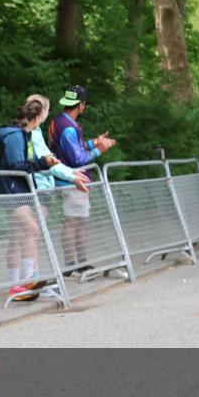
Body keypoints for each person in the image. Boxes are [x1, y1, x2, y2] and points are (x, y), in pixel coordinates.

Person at [0, 96, 88, 301]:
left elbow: (32, 162)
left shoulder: (27, 134)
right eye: (46, 113)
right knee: (27, 230)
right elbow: (16, 165)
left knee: (24, 233)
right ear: (39, 114)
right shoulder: (15, 136)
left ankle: (27, 281)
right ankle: (22, 282)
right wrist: (43, 163)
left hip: (25, 189)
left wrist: (50, 166)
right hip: (11, 190)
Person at [48, 85, 115, 278]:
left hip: (67, 179)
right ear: (82, 105)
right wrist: (101, 149)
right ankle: (74, 266)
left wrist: (94, 142)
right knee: (74, 222)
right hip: (73, 180)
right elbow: (78, 159)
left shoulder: (59, 121)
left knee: (79, 221)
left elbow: (73, 148)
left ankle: (78, 264)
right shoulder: (68, 127)